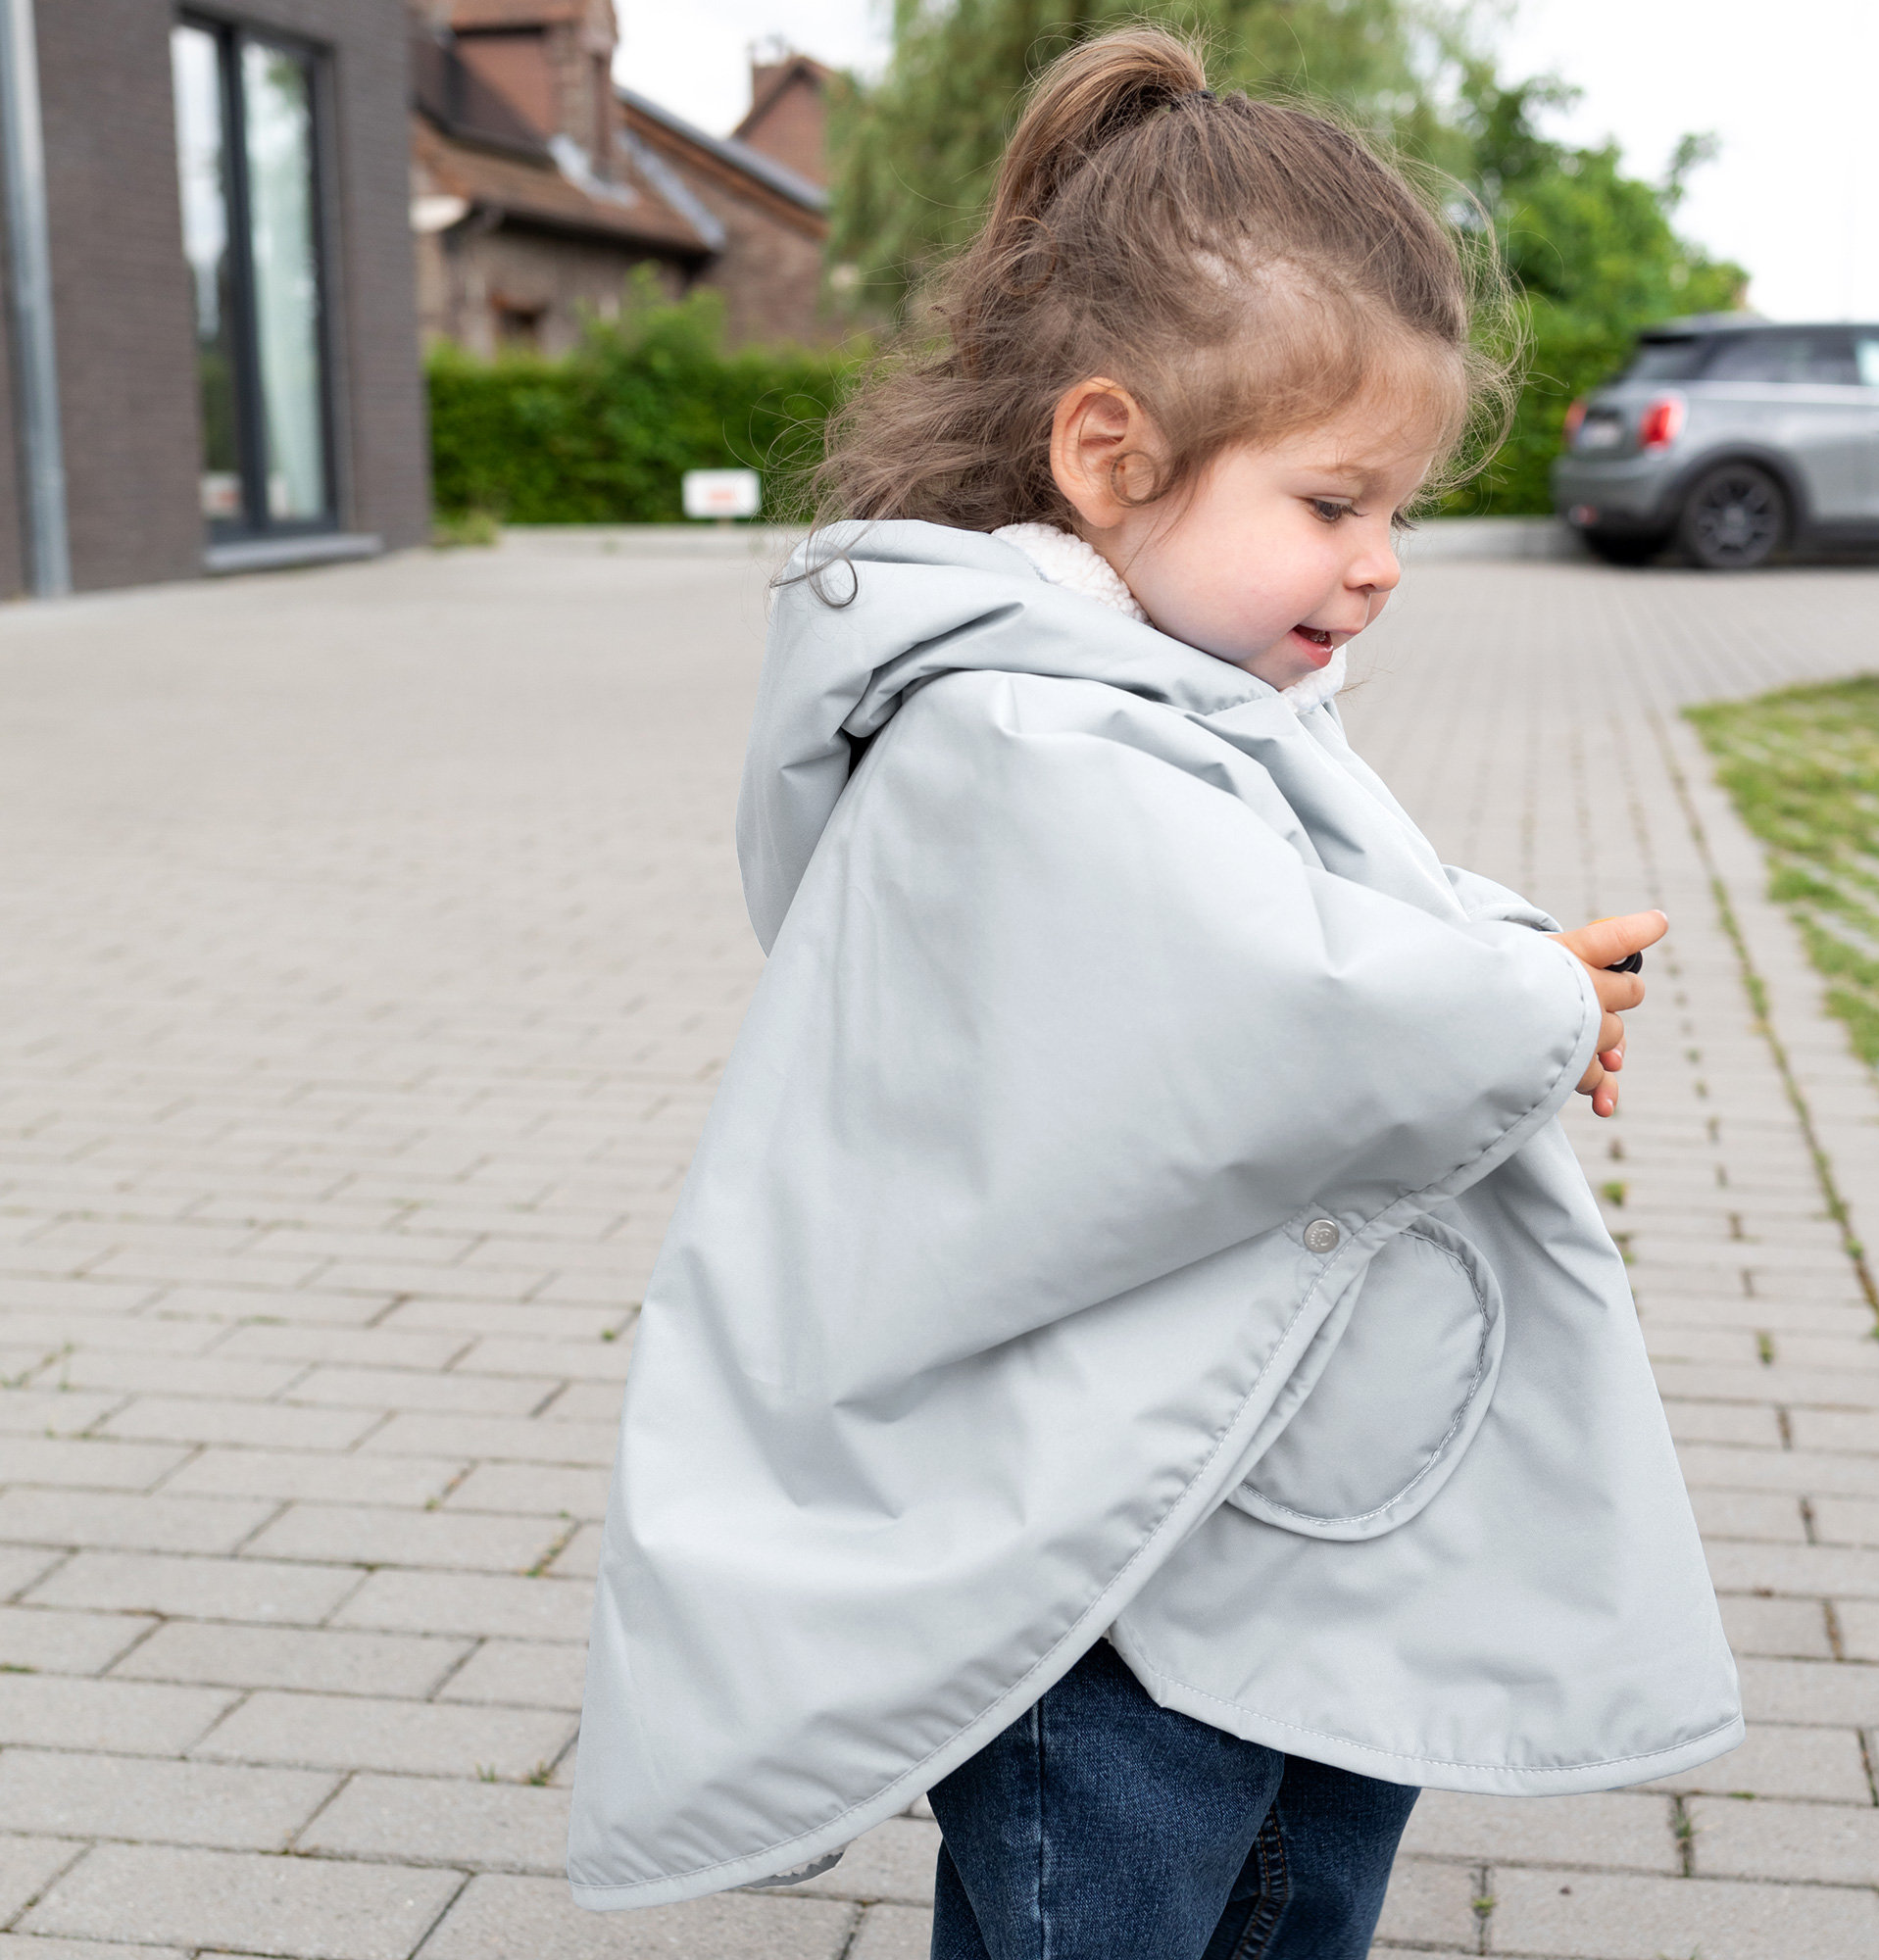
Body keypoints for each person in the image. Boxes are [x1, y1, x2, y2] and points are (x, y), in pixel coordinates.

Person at [569, 26, 1740, 1959]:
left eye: (1399, 516)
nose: (1373, 568)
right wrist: (1514, 1000)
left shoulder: (1167, 698)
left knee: (1295, 1891)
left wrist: (1509, 959)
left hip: (1246, 1508)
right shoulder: (1017, 738)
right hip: (1112, 1574)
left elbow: (1317, 918)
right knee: (1112, 1901)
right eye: (1331, 502)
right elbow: (1255, 1023)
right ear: (1107, 451)